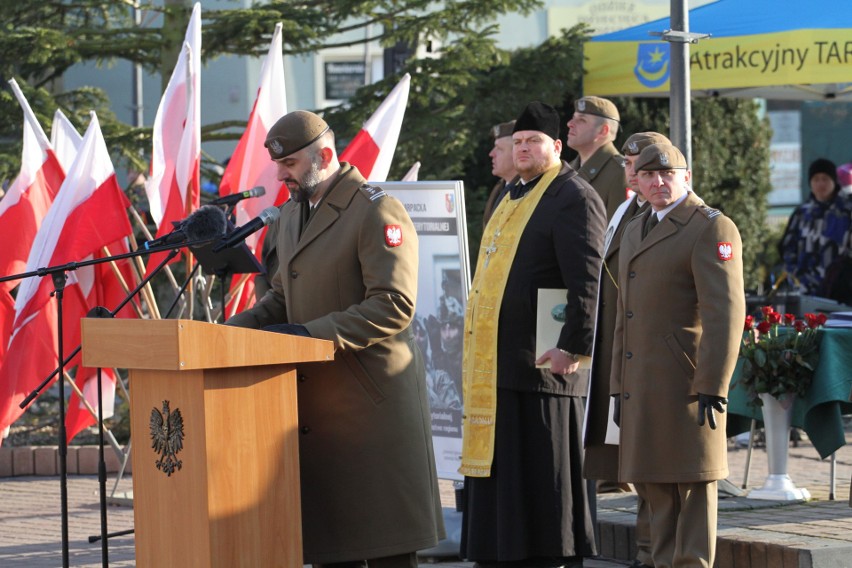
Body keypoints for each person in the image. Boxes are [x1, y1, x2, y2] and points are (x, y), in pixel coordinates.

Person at [226, 109, 445, 568]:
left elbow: (393, 305)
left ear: (325, 155)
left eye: (290, 165)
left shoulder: (375, 208)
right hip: (319, 407)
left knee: (386, 549)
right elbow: (282, 298)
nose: (281, 175)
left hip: (371, 405)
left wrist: (306, 335)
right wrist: (223, 335)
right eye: (278, 165)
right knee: (332, 549)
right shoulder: (290, 215)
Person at [459, 101, 606, 568]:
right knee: (507, 489)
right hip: (500, 370)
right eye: (517, 142)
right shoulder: (510, 194)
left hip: (546, 370)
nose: (523, 149)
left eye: (533, 142)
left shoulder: (573, 196)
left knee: (547, 486)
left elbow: (588, 282)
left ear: (557, 147)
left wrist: (572, 347)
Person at [610, 143, 745, 568]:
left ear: (686, 177)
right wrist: (617, 385)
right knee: (654, 488)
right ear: (638, 181)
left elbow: (726, 314)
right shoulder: (636, 227)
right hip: (642, 384)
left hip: (686, 385)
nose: (658, 182)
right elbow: (623, 318)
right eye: (648, 175)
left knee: (692, 485)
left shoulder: (711, 227)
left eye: (668, 174)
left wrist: (712, 384)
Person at [584, 131, 670, 568]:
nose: (632, 172)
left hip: (653, 354)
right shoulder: (624, 210)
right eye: (630, 165)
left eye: (642, 165)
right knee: (631, 455)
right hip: (618, 349)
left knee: (651, 458)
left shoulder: (675, 215)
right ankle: (644, 549)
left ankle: (652, 551)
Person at [779, 157, 852, 303]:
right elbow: (787, 247)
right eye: (816, 179)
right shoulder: (801, 213)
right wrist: (794, 274)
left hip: (840, 288)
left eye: (825, 179)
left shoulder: (846, 210)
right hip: (804, 287)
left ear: (834, 181)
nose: (821, 184)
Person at [567, 96, 628, 220]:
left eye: (581, 120)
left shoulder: (622, 172)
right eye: (573, 118)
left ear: (603, 130)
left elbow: (619, 233)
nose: (570, 124)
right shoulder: (568, 169)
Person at [482, 120, 518, 226]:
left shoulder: (530, 189)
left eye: (499, 149)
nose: (491, 154)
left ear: (516, 153)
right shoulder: (500, 187)